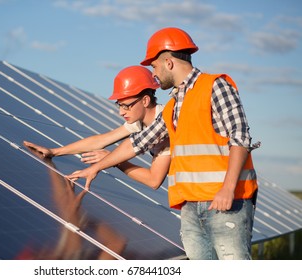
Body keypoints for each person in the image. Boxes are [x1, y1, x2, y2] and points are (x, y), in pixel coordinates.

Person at [67, 27, 260, 260]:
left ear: (168, 62)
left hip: (225, 202)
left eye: (155, 66)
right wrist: (96, 167)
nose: (154, 74)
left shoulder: (214, 86)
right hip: (190, 207)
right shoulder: (173, 106)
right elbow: (137, 143)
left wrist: (228, 188)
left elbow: (239, 137)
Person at [24, 65, 170, 190]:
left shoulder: (166, 125)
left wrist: (114, 161)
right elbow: (102, 140)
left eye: (126, 106)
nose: (121, 112)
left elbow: (153, 181)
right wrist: (55, 152)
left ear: (145, 100)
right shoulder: (140, 122)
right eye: (119, 105)